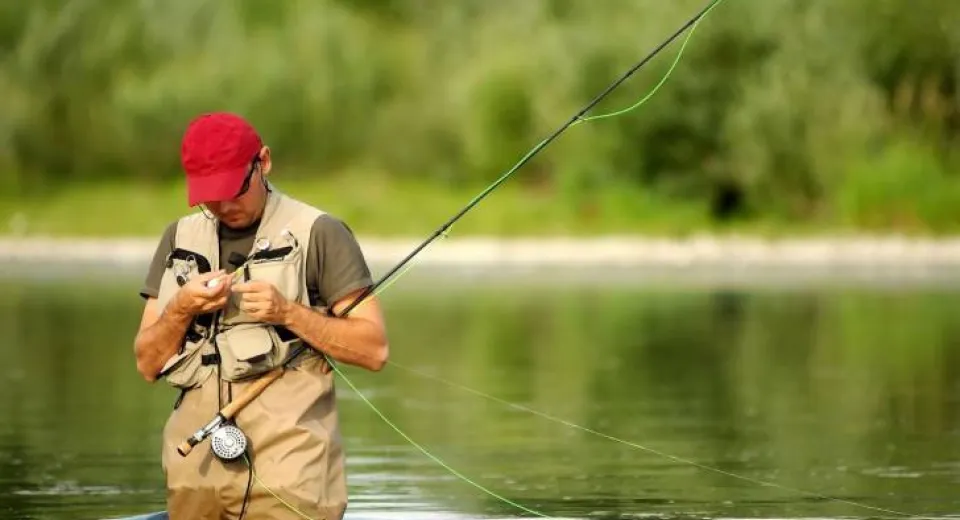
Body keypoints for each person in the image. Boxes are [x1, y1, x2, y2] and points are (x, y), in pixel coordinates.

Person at [132, 111, 389, 520]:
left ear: (263, 162)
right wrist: (181, 307)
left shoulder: (321, 233)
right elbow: (148, 363)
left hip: (292, 480)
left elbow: (373, 350)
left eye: (234, 189)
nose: (224, 206)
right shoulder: (177, 238)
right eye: (210, 195)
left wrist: (287, 312)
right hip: (194, 475)